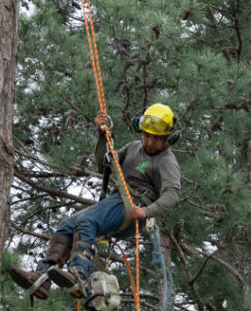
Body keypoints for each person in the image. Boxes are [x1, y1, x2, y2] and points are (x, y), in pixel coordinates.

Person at [10, 103, 181, 299]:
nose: (149, 142)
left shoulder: (166, 161)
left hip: (133, 205)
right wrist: (102, 136)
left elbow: (172, 194)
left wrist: (146, 211)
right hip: (118, 201)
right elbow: (105, 165)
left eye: (156, 139)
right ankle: (42, 277)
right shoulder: (134, 148)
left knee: (87, 221)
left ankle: (78, 275)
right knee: (67, 226)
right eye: (146, 136)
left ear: (168, 139)